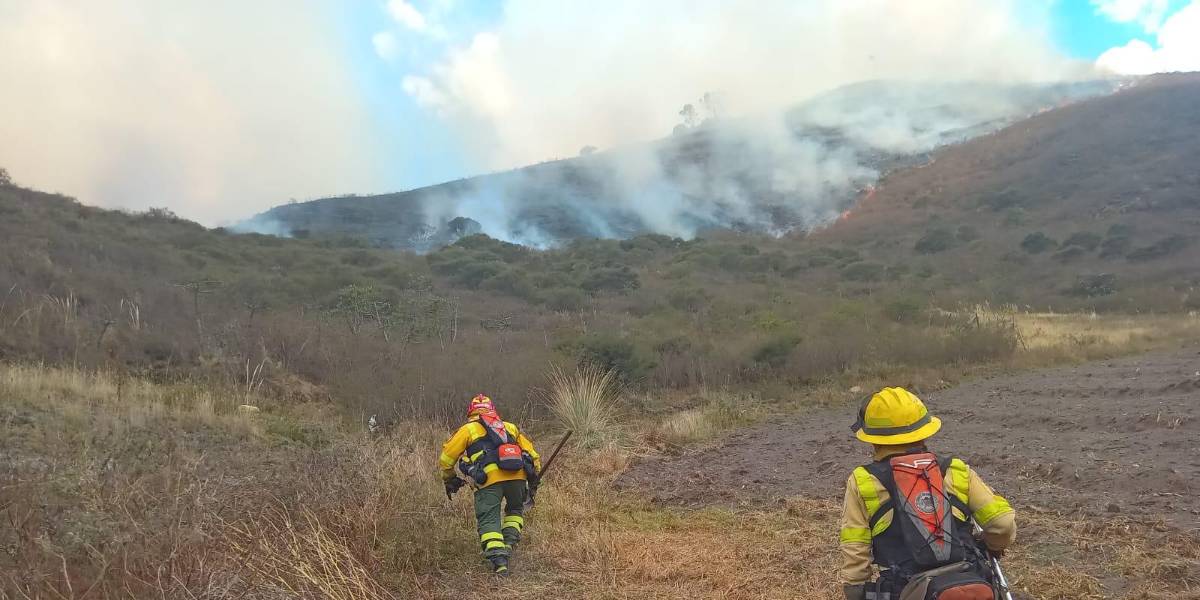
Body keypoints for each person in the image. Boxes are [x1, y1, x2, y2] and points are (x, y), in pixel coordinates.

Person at [839, 387, 1016, 600]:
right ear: (925, 431)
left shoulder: (863, 481)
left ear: (872, 438)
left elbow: (855, 547)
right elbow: (1003, 524)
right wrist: (992, 546)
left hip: (904, 589)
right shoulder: (955, 470)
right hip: (971, 581)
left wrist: (856, 589)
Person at [439, 394, 541, 575]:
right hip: (518, 477)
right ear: (493, 410)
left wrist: (449, 477)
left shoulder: (468, 429)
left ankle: (499, 561)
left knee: (489, 518)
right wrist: (534, 476)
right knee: (515, 510)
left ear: (471, 412)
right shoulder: (509, 427)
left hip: (488, 480)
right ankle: (508, 544)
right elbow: (532, 454)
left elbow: (446, 458)